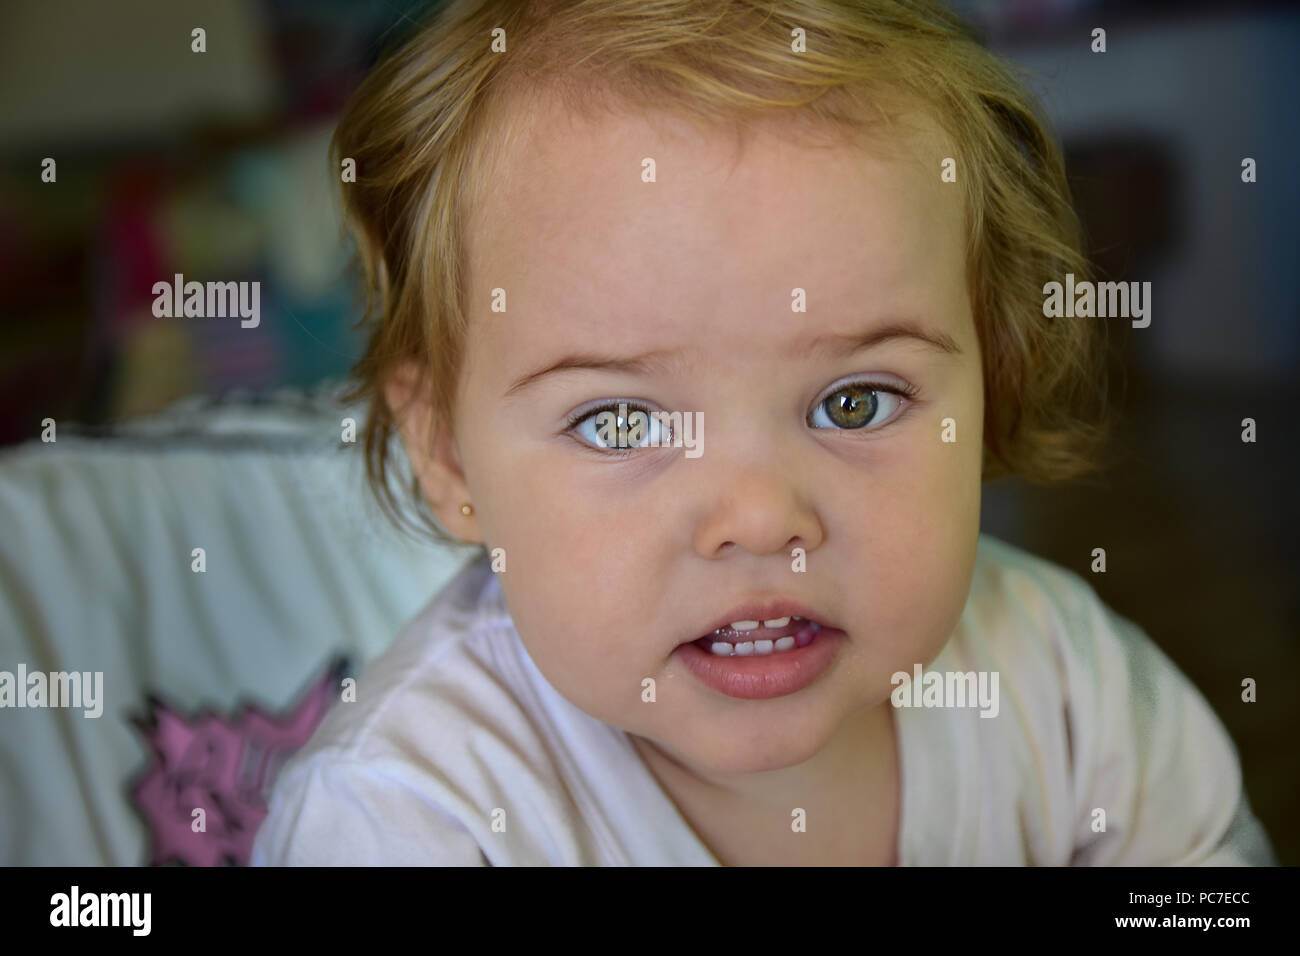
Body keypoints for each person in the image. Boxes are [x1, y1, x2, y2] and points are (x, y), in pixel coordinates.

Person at [251, 0, 1275, 865]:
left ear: (992, 380)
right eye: (618, 419)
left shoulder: (1062, 683)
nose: (757, 517)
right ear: (447, 452)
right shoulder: (405, 818)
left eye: (854, 401)